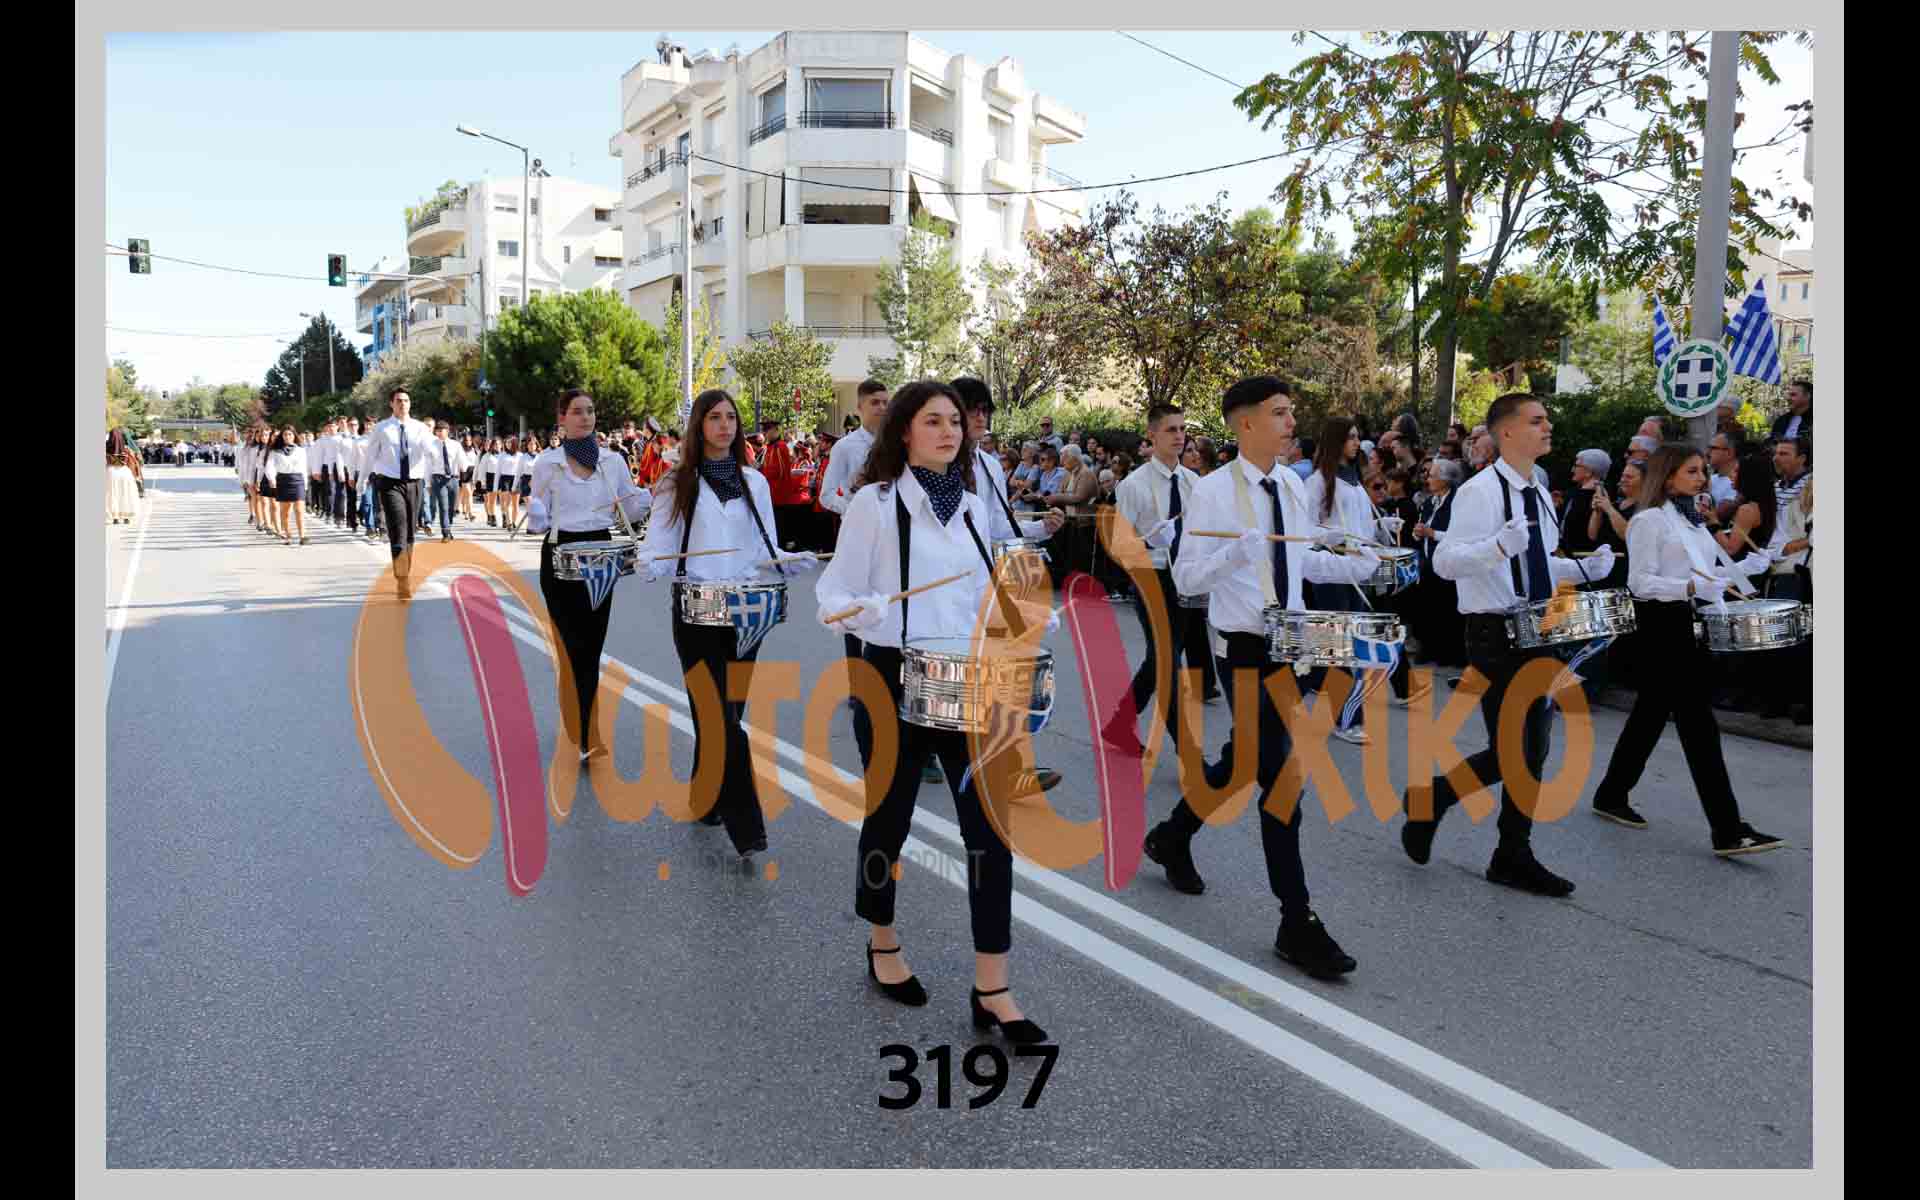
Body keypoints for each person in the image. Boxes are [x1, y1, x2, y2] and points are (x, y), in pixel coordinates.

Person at [814, 379, 1052, 1042]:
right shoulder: (874, 503)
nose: (949, 431)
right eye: (933, 421)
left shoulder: (973, 506)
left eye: (954, 421)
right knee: (889, 819)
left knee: (990, 831)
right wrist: (866, 609)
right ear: (904, 431)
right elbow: (832, 593)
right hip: (890, 677)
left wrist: (1019, 617)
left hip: (964, 681)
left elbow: (982, 596)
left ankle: (993, 988)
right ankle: (883, 941)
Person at [1141, 375, 1380, 979]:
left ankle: (1173, 835)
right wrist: (1232, 554)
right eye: (1279, 412)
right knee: (1280, 775)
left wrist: (1359, 564)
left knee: (1245, 761)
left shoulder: (1291, 486)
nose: (1291, 422)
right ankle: (1295, 920)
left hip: (1290, 644)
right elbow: (1186, 577)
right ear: (1245, 422)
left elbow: (1300, 561)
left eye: (1290, 411)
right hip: (1244, 647)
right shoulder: (1213, 491)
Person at [1399, 394, 1617, 898]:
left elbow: (1534, 563)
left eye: (1546, 420)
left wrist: (1584, 568)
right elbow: (1445, 562)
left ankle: (1487, 836)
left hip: (1538, 627)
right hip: (1494, 633)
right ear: (1508, 433)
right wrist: (1497, 545)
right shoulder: (1480, 493)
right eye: (1537, 421)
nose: (1547, 427)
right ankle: (1499, 845)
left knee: (1524, 751)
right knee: (1520, 751)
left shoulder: (1537, 489)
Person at [1587, 443, 1785, 855]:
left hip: (1686, 624)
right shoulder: (1649, 521)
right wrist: (1690, 587)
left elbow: (1710, 574)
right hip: (1660, 627)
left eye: (1702, 470)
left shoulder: (1691, 520)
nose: (1701, 478)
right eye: (1692, 471)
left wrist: (1748, 567)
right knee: (1699, 728)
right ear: (1668, 475)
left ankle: (1611, 794)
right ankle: (1728, 829)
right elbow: (1640, 583)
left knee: (1649, 716)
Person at [525, 389, 654, 761]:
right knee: (570, 647)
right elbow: (538, 517)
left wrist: (651, 496)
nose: (585, 417)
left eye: (590, 411)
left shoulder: (613, 461)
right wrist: (535, 514)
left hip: (601, 554)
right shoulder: (547, 462)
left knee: (591, 647)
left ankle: (587, 730)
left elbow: (630, 513)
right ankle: (581, 725)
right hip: (560, 553)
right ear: (562, 418)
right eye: (577, 411)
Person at [952, 376, 1065, 795]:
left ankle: (1009, 769)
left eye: (986, 410)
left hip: (987, 586)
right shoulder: (933, 465)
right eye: (973, 409)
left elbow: (1000, 528)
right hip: (947, 591)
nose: (982, 417)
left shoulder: (988, 465)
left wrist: (1040, 529)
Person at [1105, 402, 1216, 760]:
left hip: (1186, 578)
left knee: (1161, 659)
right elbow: (1119, 545)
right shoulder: (1134, 485)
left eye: (1182, 429)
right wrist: (1150, 541)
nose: (1180, 436)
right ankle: (1190, 754)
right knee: (1167, 661)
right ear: (1151, 435)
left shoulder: (1194, 483)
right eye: (1171, 429)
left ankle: (1120, 722)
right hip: (1150, 578)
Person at [820, 380, 893, 768]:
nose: (882, 408)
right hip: (859, 538)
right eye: (875, 402)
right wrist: (852, 508)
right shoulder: (846, 448)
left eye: (886, 402)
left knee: (888, 608)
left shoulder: (902, 442)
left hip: (893, 540)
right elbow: (826, 494)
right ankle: (858, 684)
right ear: (860, 407)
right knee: (854, 610)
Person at [1300, 416, 1380, 744]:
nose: (1356, 443)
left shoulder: (1354, 480)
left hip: (1356, 570)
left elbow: (1361, 527)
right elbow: (1303, 529)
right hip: (1331, 570)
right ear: (1336, 441)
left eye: (1358, 437)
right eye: (1350, 437)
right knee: (1340, 648)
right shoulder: (1317, 481)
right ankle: (1346, 719)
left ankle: (1300, 691)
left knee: (1341, 647)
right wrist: (1331, 536)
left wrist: (1380, 528)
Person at [364, 389, 435, 599]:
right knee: (399, 529)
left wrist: (432, 452)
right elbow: (370, 456)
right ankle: (402, 579)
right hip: (390, 483)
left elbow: (430, 450)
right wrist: (361, 481)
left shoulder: (420, 428)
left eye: (406, 400)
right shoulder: (381, 428)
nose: (403, 404)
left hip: (414, 482)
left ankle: (406, 573)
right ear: (391, 404)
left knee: (410, 533)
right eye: (398, 401)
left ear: (410, 404)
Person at [1766, 437, 1812, 599]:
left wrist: (1791, 547)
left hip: (1804, 569)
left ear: (1802, 458)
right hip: (1779, 567)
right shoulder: (1775, 487)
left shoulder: (1812, 485)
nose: (1776, 458)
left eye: (1784, 454)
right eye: (1776, 453)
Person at [263, 424, 311, 546]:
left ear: (294, 436)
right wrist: (272, 479)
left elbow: (304, 468)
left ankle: (302, 535)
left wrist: (305, 484)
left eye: (290, 434)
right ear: (282, 436)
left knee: (299, 509)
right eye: (285, 434)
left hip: (297, 480)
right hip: (283, 480)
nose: (287, 436)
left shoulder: (301, 450)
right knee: (285, 511)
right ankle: (288, 535)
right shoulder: (275, 451)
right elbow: (269, 466)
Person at [426, 420, 468, 543]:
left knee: (451, 508)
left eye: (441, 430)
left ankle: (448, 527)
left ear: (447, 431)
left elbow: (462, 460)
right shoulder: (431, 445)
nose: (439, 433)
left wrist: (465, 468)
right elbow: (428, 466)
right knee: (443, 506)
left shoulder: (456, 445)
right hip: (438, 479)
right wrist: (428, 483)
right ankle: (445, 533)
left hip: (453, 478)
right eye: (437, 431)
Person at [1706, 431, 1743, 522]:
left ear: (1729, 452)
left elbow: (1717, 515)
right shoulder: (1711, 478)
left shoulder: (1739, 481)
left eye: (1712, 448)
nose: (1707, 452)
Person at [106, 430, 141, 524]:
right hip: (125, 473)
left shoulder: (106, 448)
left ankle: (115, 517)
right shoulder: (126, 449)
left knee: (112, 494)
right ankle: (126, 517)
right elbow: (133, 462)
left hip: (111, 472)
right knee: (125, 493)